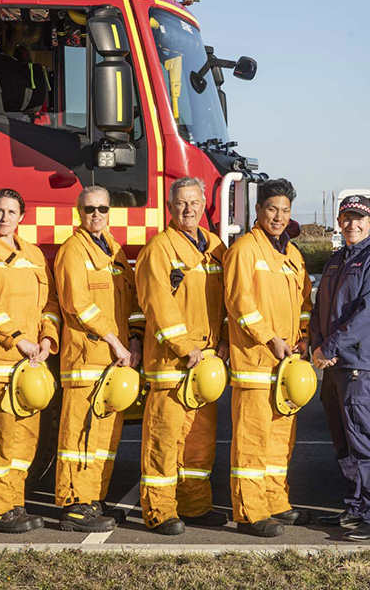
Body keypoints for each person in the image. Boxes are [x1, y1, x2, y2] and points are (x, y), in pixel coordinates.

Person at [0, 188, 60, 533]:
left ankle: (12, 503)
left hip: (29, 364)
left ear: (22, 216)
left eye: (11, 212)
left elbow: (48, 304)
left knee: (22, 441)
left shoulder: (33, 254)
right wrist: (17, 339)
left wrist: (48, 337)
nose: (4, 218)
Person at [136, 177, 230, 535]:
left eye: (194, 202)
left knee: (198, 442)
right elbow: (157, 305)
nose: (188, 209)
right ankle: (159, 511)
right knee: (164, 439)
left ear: (204, 204)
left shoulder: (217, 247)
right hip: (173, 364)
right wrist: (184, 347)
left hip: (206, 363)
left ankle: (194, 505)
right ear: (170, 208)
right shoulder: (159, 250)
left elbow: (226, 299)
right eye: (181, 203)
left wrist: (220, 340)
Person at [223, 178, 313, 537]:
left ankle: (276, 502)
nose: (279, 216)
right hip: (256, 364)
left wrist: (302, 337)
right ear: (259, 210)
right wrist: (269, 338)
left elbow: (305, 302)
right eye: (272, 209)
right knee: (252, 441)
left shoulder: (292, 254)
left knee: (279, 441)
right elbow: (239, 303)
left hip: (286, 364)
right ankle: (250, 512)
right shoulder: (245, 249)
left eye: (285, 210)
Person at [53, 185, 145, 531]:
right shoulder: (73, 251)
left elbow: (133, 302)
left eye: (102, 208)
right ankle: (75, 504)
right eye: (89, 209)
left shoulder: (115, 251)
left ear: (110, 212)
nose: (96, 214)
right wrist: (116, 341)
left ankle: (93, 497)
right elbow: (77, 304)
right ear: (79, 213)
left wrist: (134, 339)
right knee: (80, 435)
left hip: (114, 360)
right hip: (86, 358)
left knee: (104, 438)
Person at [310, 195, 370, 542]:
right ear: (339, 222)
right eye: (346, 218)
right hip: (332, 366)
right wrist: (318, 347)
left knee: (367, 441)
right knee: (343, 441)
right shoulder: (335, 261)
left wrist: (328, 348)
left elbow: (367, 317)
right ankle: (356, 506)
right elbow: (318, 311)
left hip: (359, 366)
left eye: (359, 218)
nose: (352, 224)